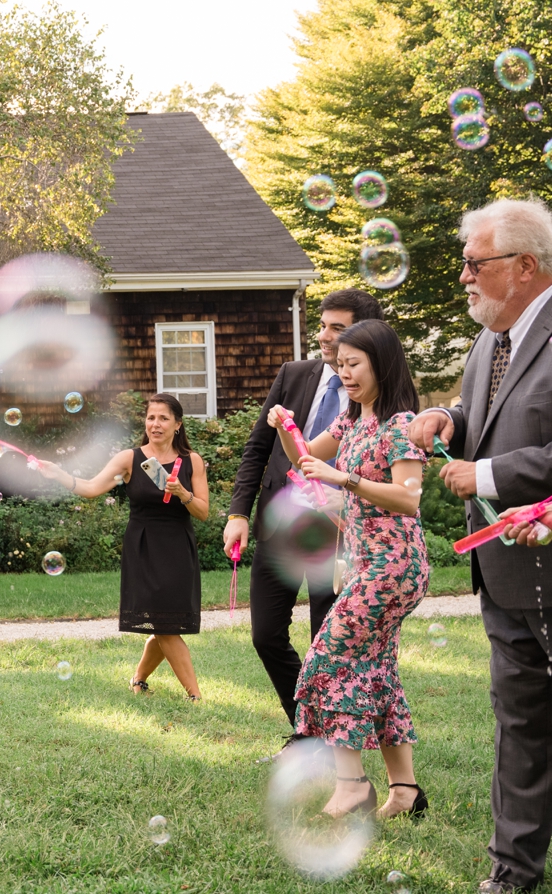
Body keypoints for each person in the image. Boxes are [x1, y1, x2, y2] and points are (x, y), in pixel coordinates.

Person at [409, 198, 552, 890]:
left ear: (524, 267)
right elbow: (487, 414)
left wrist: (488, 473)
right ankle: (512, 874)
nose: (464, 276)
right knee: (519, 728)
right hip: (504, 572)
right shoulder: (489, 340)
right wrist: (448, 416)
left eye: (476, 263)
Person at [274, 317, 428, 821]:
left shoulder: (400, 424)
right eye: (339, 365)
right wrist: (286, 428)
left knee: (329, 660)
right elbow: (303, 461)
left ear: (380, 362)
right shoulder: (351, 421)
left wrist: (346, 478)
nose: (344, 374)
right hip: (368, 564)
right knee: (375, 669)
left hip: (393, 566)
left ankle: (351, 785)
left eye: (354, 364)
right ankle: (404, 792)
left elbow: (409, 499)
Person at [225, 288, 384, 737]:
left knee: (326, 641)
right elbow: (259, 447)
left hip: (337, 532)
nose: (325, 336)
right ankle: (310, 727)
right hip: (282, 523)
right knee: (266, 635)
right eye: (322, 325)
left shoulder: (374, 393)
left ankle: (322, 742)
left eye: (337, 327)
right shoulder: (294, 374)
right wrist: (238, 513)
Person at [38, 392, 210, 699]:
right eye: (150, 417)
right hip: (144, 547)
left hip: (178, 548)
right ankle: (195, 696)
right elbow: (92, 488)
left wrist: (182, 492)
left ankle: (138, 680)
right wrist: (60, 475)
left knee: (165, 622)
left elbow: (203, 511)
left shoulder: (191, 461)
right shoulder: (129, 459)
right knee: (164, 625)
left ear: (178, 424)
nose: (155, 424)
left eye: (163, 418)